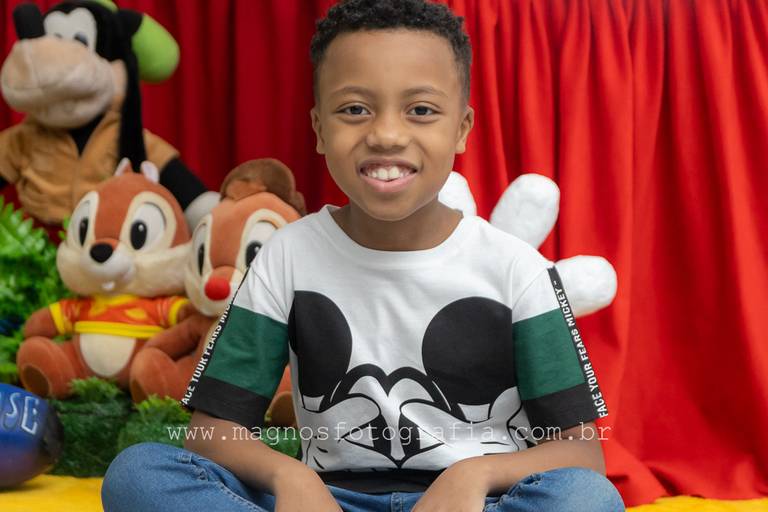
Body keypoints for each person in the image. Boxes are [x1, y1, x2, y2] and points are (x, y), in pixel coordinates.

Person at [102, 0, 625, 510]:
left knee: (586, 500)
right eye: (355, 109)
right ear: (319, 129)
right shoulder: (288, 255)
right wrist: (289, 476)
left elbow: (582, 452)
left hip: (477, 503)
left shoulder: (516, 269)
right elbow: (211, 431)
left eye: (421, 110)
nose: (386, 135)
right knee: (138, 474)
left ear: (462, 129)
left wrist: (475, 473)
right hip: (327, 500)